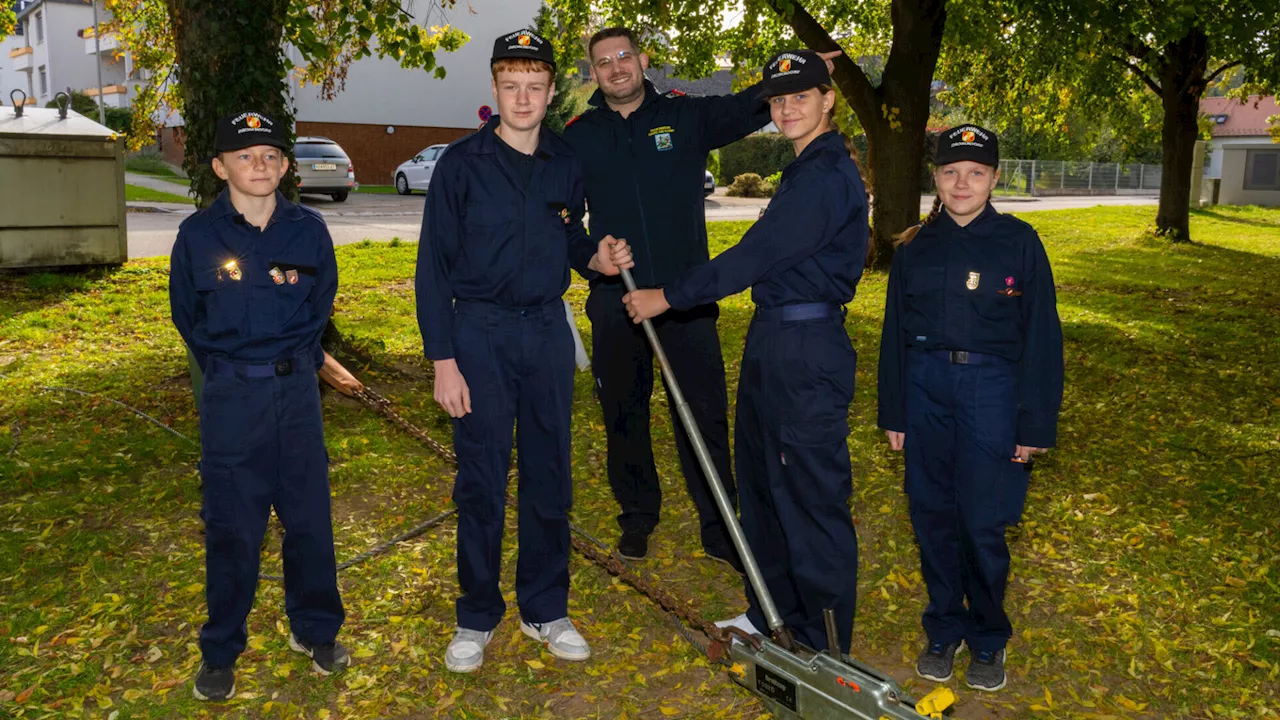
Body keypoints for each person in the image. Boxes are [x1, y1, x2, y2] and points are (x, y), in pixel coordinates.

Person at [563, 26, 839, 570]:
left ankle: (720, 526)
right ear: (592, 73)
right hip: (616, 299)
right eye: (603, 62)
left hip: (685, 299)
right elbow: (563, 221)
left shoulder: (686, 117)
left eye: (624, 57)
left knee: (705, 414)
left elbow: (747, 108)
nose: (616, 68)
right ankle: (638, 516)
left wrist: (800, 74)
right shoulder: (578, 137)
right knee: (623, 413)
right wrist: (591, 256)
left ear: (643, 61)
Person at [621, 49, 868, 654]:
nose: (786, 108)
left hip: (806, 349)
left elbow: (755, 256)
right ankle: (772, 611)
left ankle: (822, 643)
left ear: (828, 100)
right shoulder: (803, 169)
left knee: (808, 496)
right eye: (777, 100)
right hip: (773, 339)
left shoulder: (826, 175)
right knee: (760, 485)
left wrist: (667, 296)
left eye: (800, 97)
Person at [415, 29, 630, 674]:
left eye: (535, 86)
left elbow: (571, 241)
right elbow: (432, 268)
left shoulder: (565, 162)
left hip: (545, 333)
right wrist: (442, 359)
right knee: (481, 478)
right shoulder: (460, 165)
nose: (524, 97)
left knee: (549, 475)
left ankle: (545, 606)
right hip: (477, 333)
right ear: (494, 90)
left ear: (550, 90)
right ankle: (476, 614)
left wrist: (597, 256)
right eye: (512, 86)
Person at [877, 125, 1064, 692]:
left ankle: (987, 638)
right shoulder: (915, 246)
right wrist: (895, 413)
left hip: (993, 393)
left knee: (982, 524)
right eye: (951, 172)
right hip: (927, 389)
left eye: (976, 173)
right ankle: (943, 628)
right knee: (930, 517)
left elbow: (1042, 338)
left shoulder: (1020, 241)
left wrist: (1033, 422)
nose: (963, 183)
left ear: (994, 178)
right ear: (935, 177)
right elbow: (895, 334)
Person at [169, 110, 348, 702]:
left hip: (297, 393)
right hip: (231, 400)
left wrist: (295, 362)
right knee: (232, 529)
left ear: (287, 166)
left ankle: (315, 629)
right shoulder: (197, 236)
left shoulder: (310, 231)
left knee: (309, 520)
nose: (260, 165)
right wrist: (232, 369)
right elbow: (188, 318)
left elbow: (321, 305)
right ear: (220, 166)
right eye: (245, 156)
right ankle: (221, 648)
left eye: (271, 155)